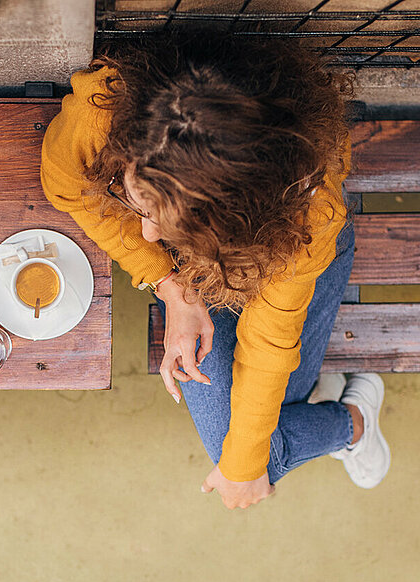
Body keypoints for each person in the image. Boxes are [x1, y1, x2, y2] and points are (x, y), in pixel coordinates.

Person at [41, 33, 390, 509]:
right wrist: (172, 286)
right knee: (258, 434)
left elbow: (268, 344)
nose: (146, 236)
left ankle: (348, 421)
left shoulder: (308, 218)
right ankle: (350, 422)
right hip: (202, 254)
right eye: (137, 200)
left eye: (157, 218)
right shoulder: (106, 109)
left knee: (255, 442)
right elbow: (64, 184)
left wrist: (245, 469)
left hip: (289, 255)